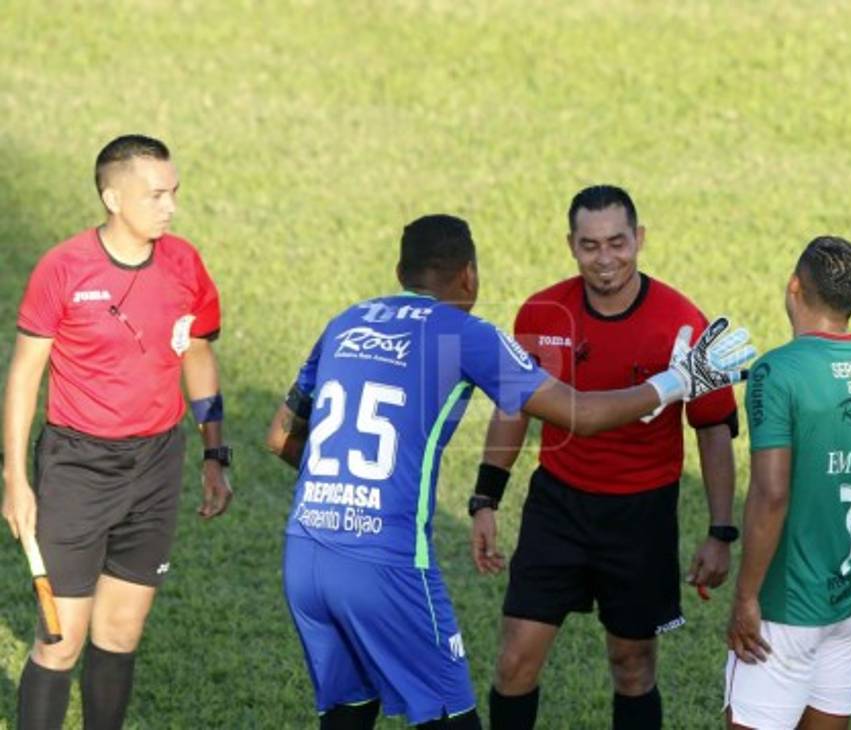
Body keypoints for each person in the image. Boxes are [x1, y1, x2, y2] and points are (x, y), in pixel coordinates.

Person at [263, 213, 752, 730]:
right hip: (386, 564)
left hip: (305, 553)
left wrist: (344, 490)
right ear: (469, 275)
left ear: (400, 270)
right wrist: (678, 380)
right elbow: (580, 416)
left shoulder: (346, 321)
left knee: (348, 711)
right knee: (454, 718)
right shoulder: (467, 333)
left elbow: (279, 436)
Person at [467, 185, 742, 730]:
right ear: (571, 245)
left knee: (633, 666)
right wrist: (485, 497)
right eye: (590, 246)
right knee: (515, 660)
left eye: (618, 243)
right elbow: (512, 410)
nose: (606, 259)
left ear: (639, 239)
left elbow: (713, 431)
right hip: (557, 507)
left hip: (640, 516)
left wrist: (721, 530)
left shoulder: (682, 322)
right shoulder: (543, 311)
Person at [1, 134, 233, 730]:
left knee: (121, 633)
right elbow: (25, 375)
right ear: (113, 196)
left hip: (157, 463)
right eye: (156, 194)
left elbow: (198, 353)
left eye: (174, 193)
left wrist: (215, 451)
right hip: (78, 467)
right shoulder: (64, 269)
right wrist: (16, 480)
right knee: (61, 640)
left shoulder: (184, 263)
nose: (170, 206)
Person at [724, 236, 851, 730]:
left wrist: (745, 597)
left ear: (793, 286)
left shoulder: (776, 372)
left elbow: (770, 493)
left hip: (786, 606)